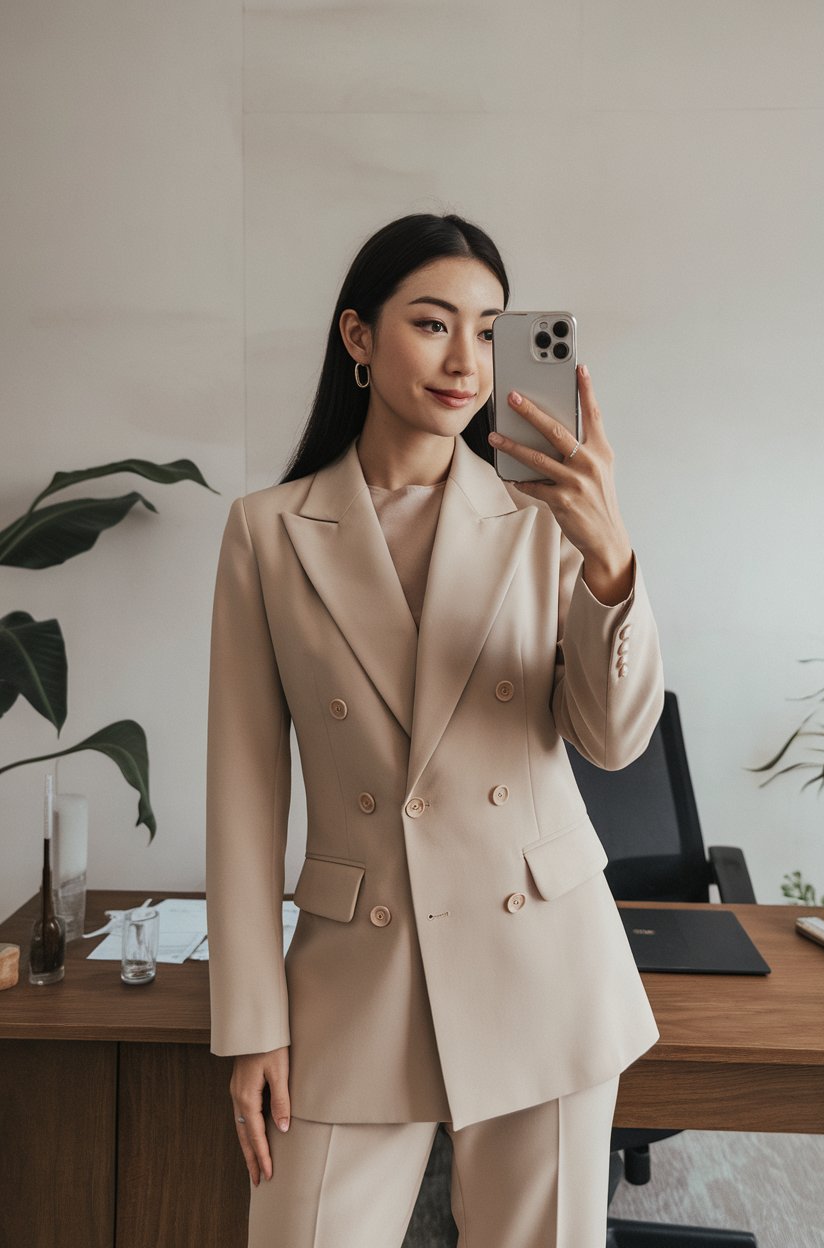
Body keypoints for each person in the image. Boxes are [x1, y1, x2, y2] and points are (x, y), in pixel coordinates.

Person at [205, 212, 664, 1248]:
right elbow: (241, 796)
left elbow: (612, 741)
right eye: (431, 323)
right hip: (353, 973)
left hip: (540, 960)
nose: (467, 361)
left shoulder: (546, 517)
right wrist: (252, 1023)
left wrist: (609, 565)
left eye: (491, 329)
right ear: (357, 338)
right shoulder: (267, 534)